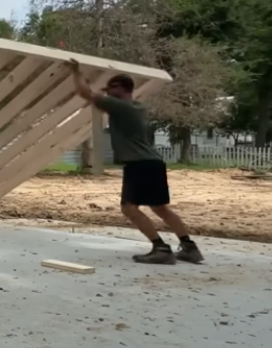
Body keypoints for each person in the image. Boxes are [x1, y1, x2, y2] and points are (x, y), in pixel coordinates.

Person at [69, 62, 203, 265]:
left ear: (121, 88)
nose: (107, 92)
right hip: (152, 163)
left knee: (129, 208)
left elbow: (84, 93)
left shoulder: (119, 106)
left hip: (139, 164)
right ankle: (189, 247)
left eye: (110, 88)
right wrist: (103, 91)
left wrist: (75, 72)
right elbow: (96, 96)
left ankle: (161, 249)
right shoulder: (136, 106)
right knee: (160, 208)